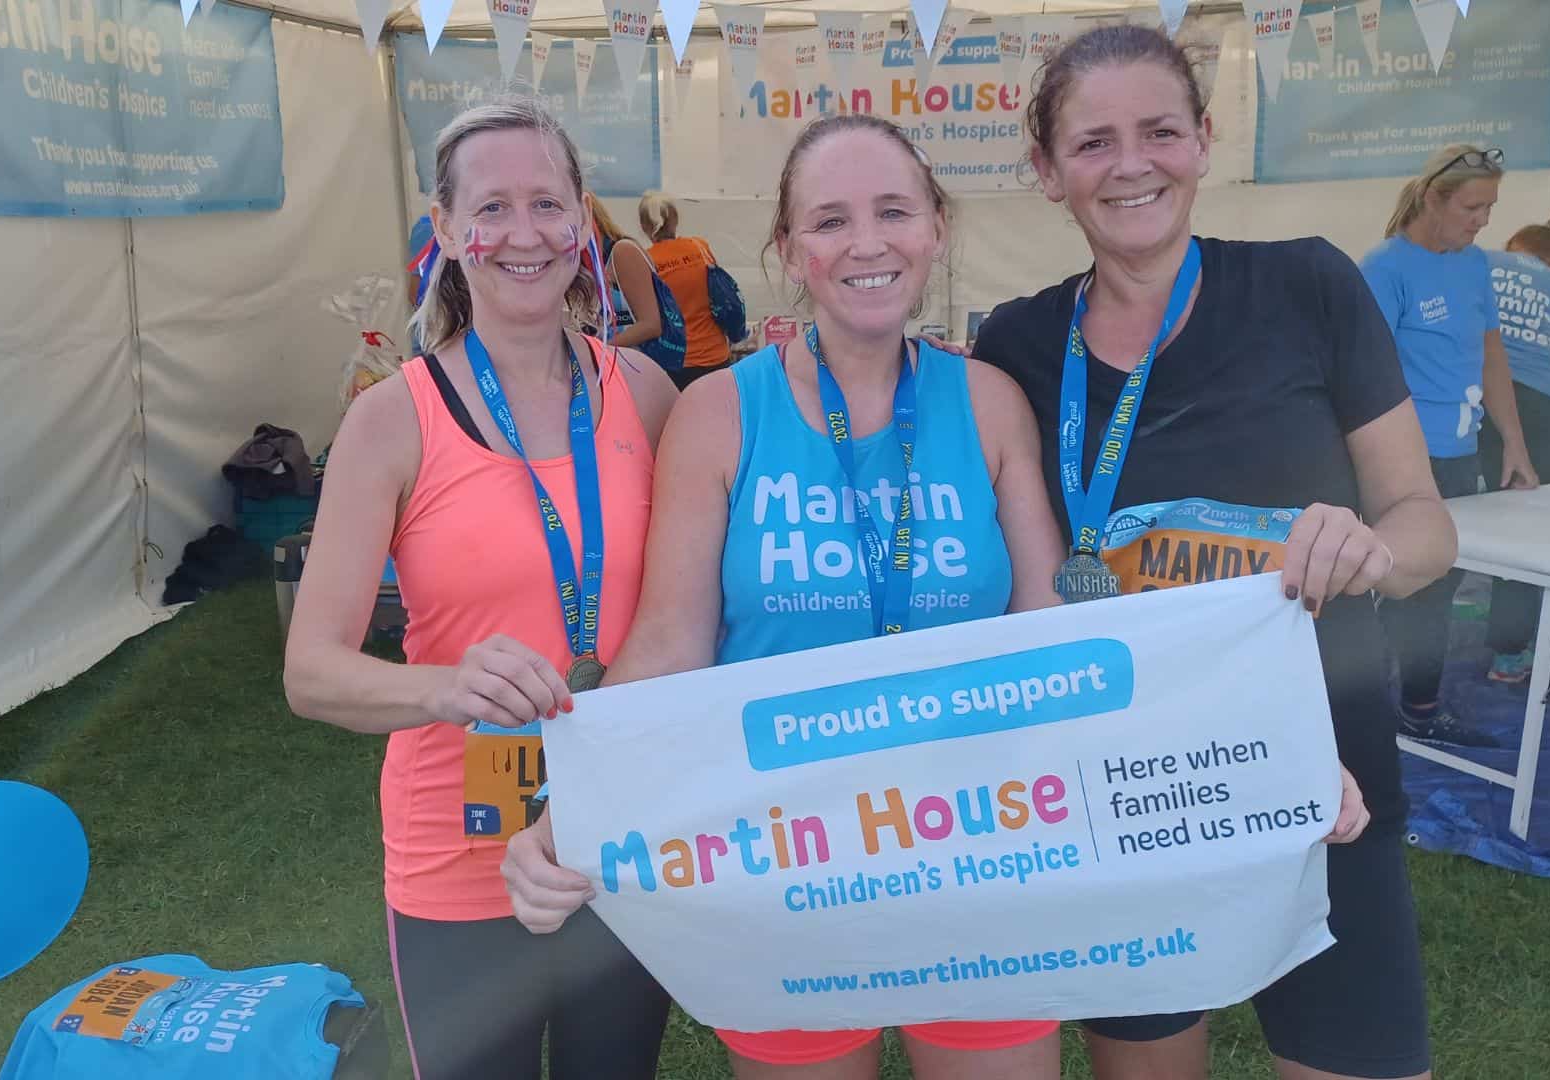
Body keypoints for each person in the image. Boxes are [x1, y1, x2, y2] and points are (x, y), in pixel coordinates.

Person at [503, 113, 1070, 1080]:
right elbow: (672, 642)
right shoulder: (721, 411)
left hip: (982, 851)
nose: (867, 243)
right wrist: (570, 805)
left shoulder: (988, 401)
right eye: (830, 220)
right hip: (783, 859)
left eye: (894, 211)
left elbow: (1053, 635)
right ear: (789, 248)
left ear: (935, 227)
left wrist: (1255, 759)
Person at [971, 24, 1451, 1080]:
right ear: (1047, 172)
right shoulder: (1012, 345)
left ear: (1204, 140)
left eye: (1159, 131)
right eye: (1093, 143)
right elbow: (1014, 582)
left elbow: (1427, 520)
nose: (1131, 163)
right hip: (1130, 796)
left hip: (1328, 786)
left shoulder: (1309, 287)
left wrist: (1367, 547)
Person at [282, 98, 680, 1079]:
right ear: (448, 230)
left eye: (547, 203)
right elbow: (312, 671)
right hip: (460, 852)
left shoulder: (649, 395)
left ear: (582, 221)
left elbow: (689, 614)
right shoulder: (393, 421)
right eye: (491, 208)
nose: (523, 233)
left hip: (619, 836)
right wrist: (442, 688)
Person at [1359, 143, 1533, 749]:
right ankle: (1410, 708)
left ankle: (1406, 698)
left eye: (1490, 207)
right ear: (1434, 199)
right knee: (1415, 584)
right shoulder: (1385, 268)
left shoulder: (1474, 263)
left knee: (1440, 580)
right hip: (1404, 457)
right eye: (1473, 207)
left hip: (1459, 449)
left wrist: (1513, 443)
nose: (1483, 219)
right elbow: (1363, 372)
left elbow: (1491, 354)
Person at [1481, 213, 1550, 683]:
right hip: (1541, 404)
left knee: (1436, 501)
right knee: (1523, 523)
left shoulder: (1480, 261)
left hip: (1473, 390)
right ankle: (1508, 655)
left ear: (1512, 243)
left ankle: (1405, 627)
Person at [640, 191, 736, 387]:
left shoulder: (646, 262)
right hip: (716, 356)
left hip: (675, 362)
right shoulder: (700, 247)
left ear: (644, 227)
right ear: (675, 220)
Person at [588, 195, 687, 372]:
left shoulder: (622, 252)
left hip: (644, 368)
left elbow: (651, 325)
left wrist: (599, 350)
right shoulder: (593, 262)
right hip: (624, 366)